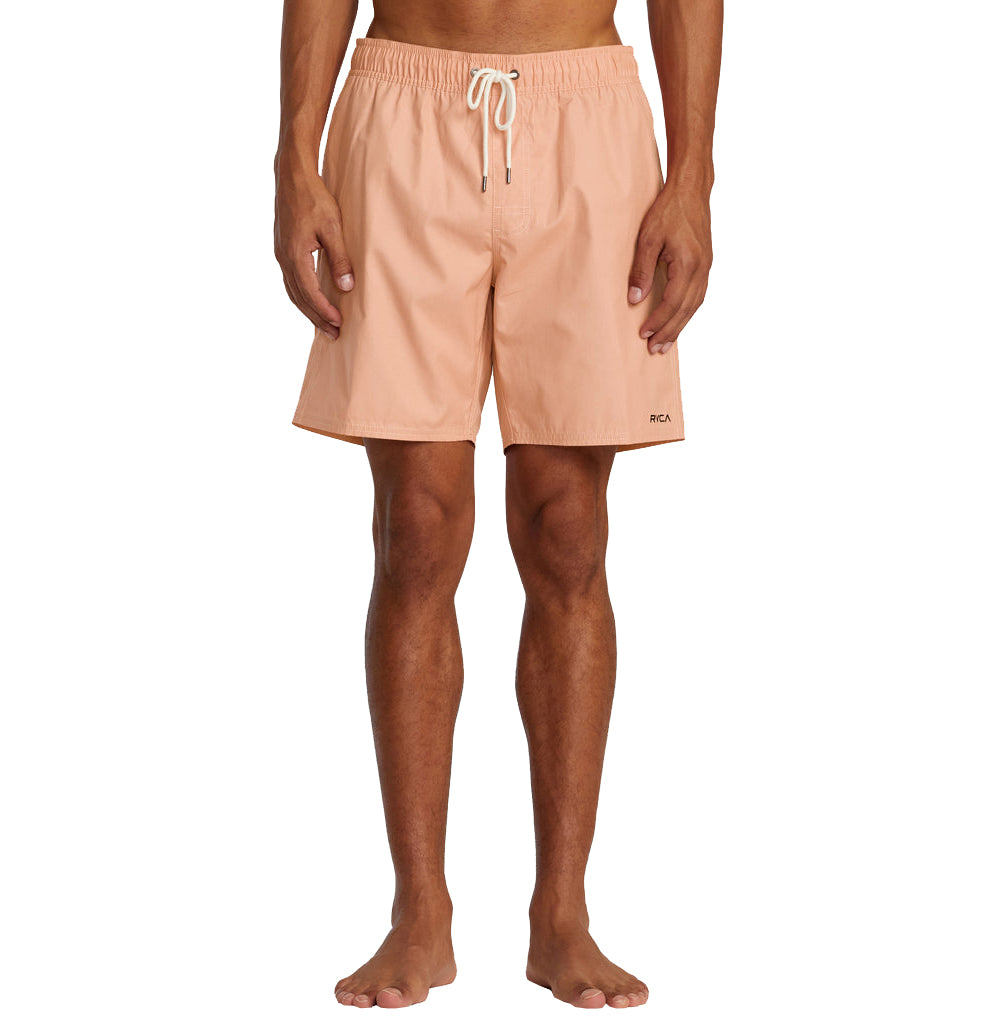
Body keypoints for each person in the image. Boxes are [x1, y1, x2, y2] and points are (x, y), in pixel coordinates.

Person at [273, 0, 721, 1010]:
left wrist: (692, 174)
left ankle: (561, 911)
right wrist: (294, 156)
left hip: (585, 113)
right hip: (403, 98)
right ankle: (418, 909)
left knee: (568, 528)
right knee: (416, 526)